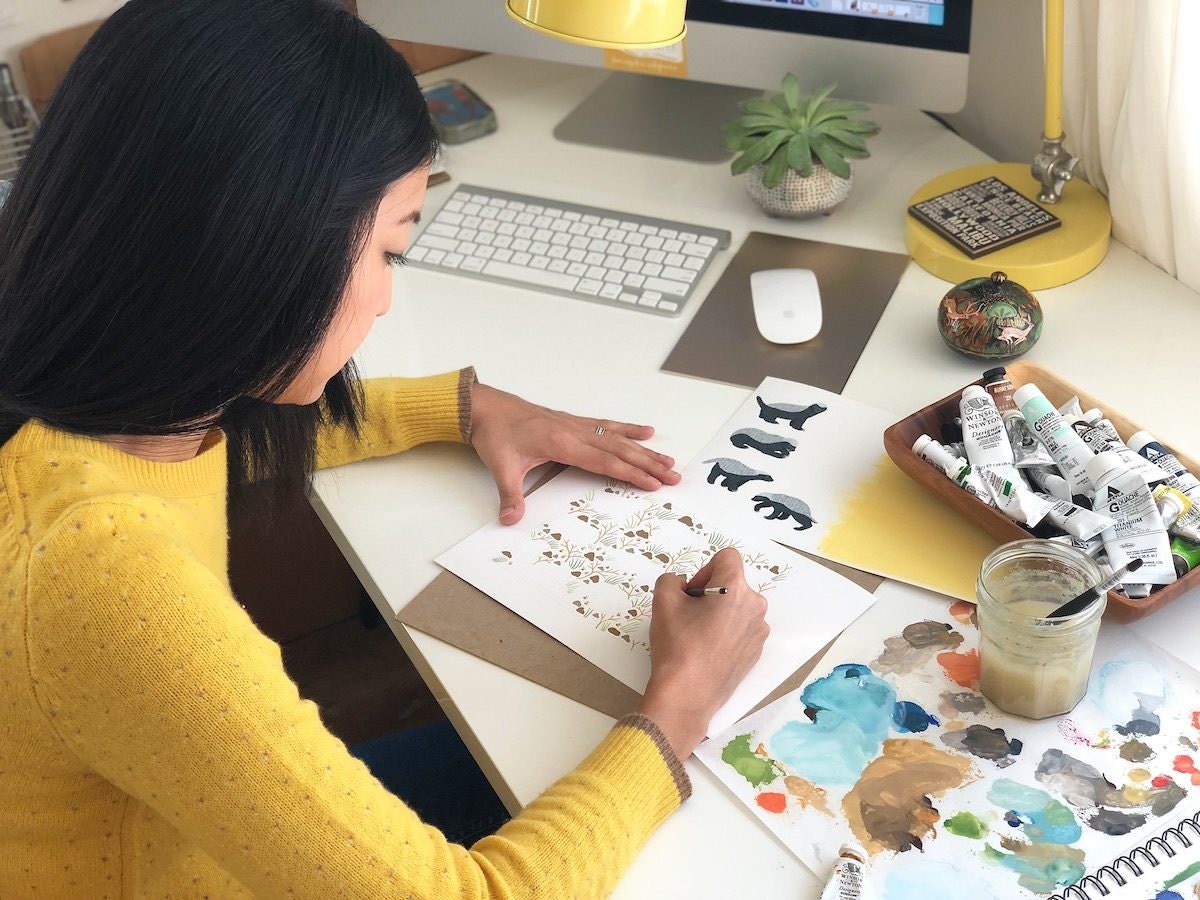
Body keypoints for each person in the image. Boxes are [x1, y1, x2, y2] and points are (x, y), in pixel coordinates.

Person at [0, 1, 771, 896]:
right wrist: (680, 704)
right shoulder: (109, 585)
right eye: (390, 250)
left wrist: (464, 405)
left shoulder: (77, 396)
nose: (386, 301)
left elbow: (236, 443)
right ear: (262, 251)